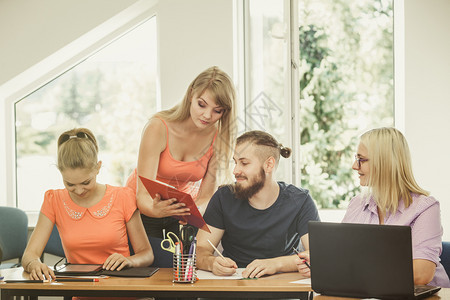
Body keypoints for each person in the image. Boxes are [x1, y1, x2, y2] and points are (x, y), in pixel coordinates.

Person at [298, 127, 450, 287]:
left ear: (384, 162)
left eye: (361, 159)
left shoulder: (425, 208)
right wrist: (323, 263)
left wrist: (350, 268)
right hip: (371, 292)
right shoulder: (357, 204)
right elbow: (342, 255)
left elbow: (420, 275)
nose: (354, 166)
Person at [22, 128, 154, 280]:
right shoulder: (53, 199)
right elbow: (29, 255)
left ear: (98, 167)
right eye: (70, 184)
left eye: (86, 182)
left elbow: (147, 254)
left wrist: (129, 261)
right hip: (82, 291)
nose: (79, 190)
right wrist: (34, 264)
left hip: (122, 289)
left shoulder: (123, 196)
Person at [126, 66, 237, 239]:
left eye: (217, 110)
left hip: (178, 212)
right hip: (141, 206)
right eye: (202, 104)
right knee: (148, 263)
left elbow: (206, 196)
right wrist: (156, 210)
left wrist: (190, 212)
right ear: (191, 94)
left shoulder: (219, 138)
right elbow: (142, 195)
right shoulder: (158, 127)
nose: (207, 115)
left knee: (182, 264)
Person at [196, 130, 320, 278]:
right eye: (235, 162)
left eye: (244, 163)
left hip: (281, 286)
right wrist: (211, 262)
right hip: (233, 285)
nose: (235, 171)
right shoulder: (223, 197)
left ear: (268, 165)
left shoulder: (300, 200)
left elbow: (318, 256)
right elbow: (200, 249)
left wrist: (275, 264)